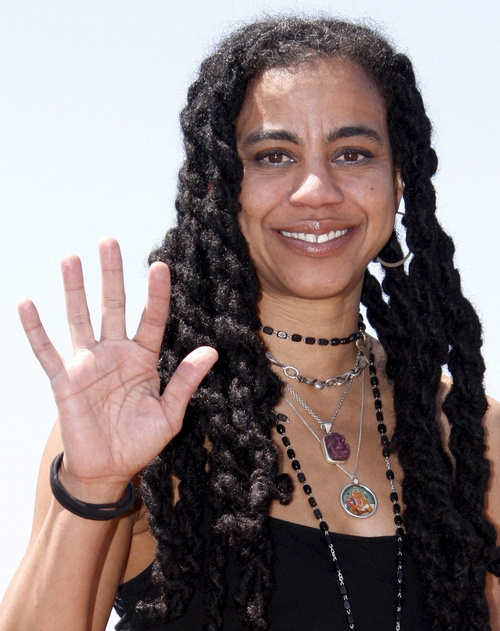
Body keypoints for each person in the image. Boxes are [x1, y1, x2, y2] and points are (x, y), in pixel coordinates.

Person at [1, 16, 499, 631]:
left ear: (399, 181)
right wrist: (91, 484)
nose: (316, 190)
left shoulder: (473, 438)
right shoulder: (142, 419)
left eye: (352, 153)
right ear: (219, 185)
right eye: (273, 157)